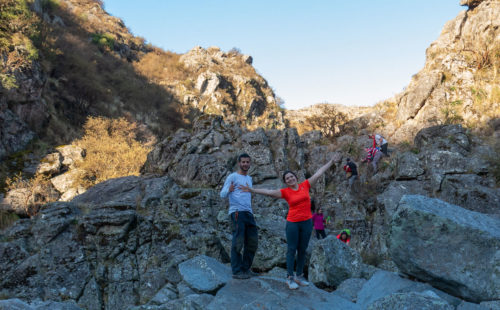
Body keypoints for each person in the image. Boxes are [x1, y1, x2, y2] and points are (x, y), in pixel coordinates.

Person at [239, 155, 339, 290]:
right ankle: (289, 277)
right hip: (293, 223)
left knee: (302, 249)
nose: (290, 179)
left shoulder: (305, 185)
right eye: (287, 178)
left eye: (291, 176)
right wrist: (252, 190)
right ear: (286, 182)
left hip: (307, 222)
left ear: (296, 177)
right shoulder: (285, 192)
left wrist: (331, 161)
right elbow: (268, 192)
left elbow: (319, 173)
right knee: (292, 249)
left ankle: (299, 276)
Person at [220, 153, 258, 279]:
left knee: (252, 242)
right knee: (238, 241)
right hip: (237, 212)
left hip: (248, 212)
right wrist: (229, 190)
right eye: (243, 162)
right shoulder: (233, 177)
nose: (245, 164)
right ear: (239, 163)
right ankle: (236, 271)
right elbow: (222, 194)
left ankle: (245, 269)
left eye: (247, 162)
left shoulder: (249, 179)